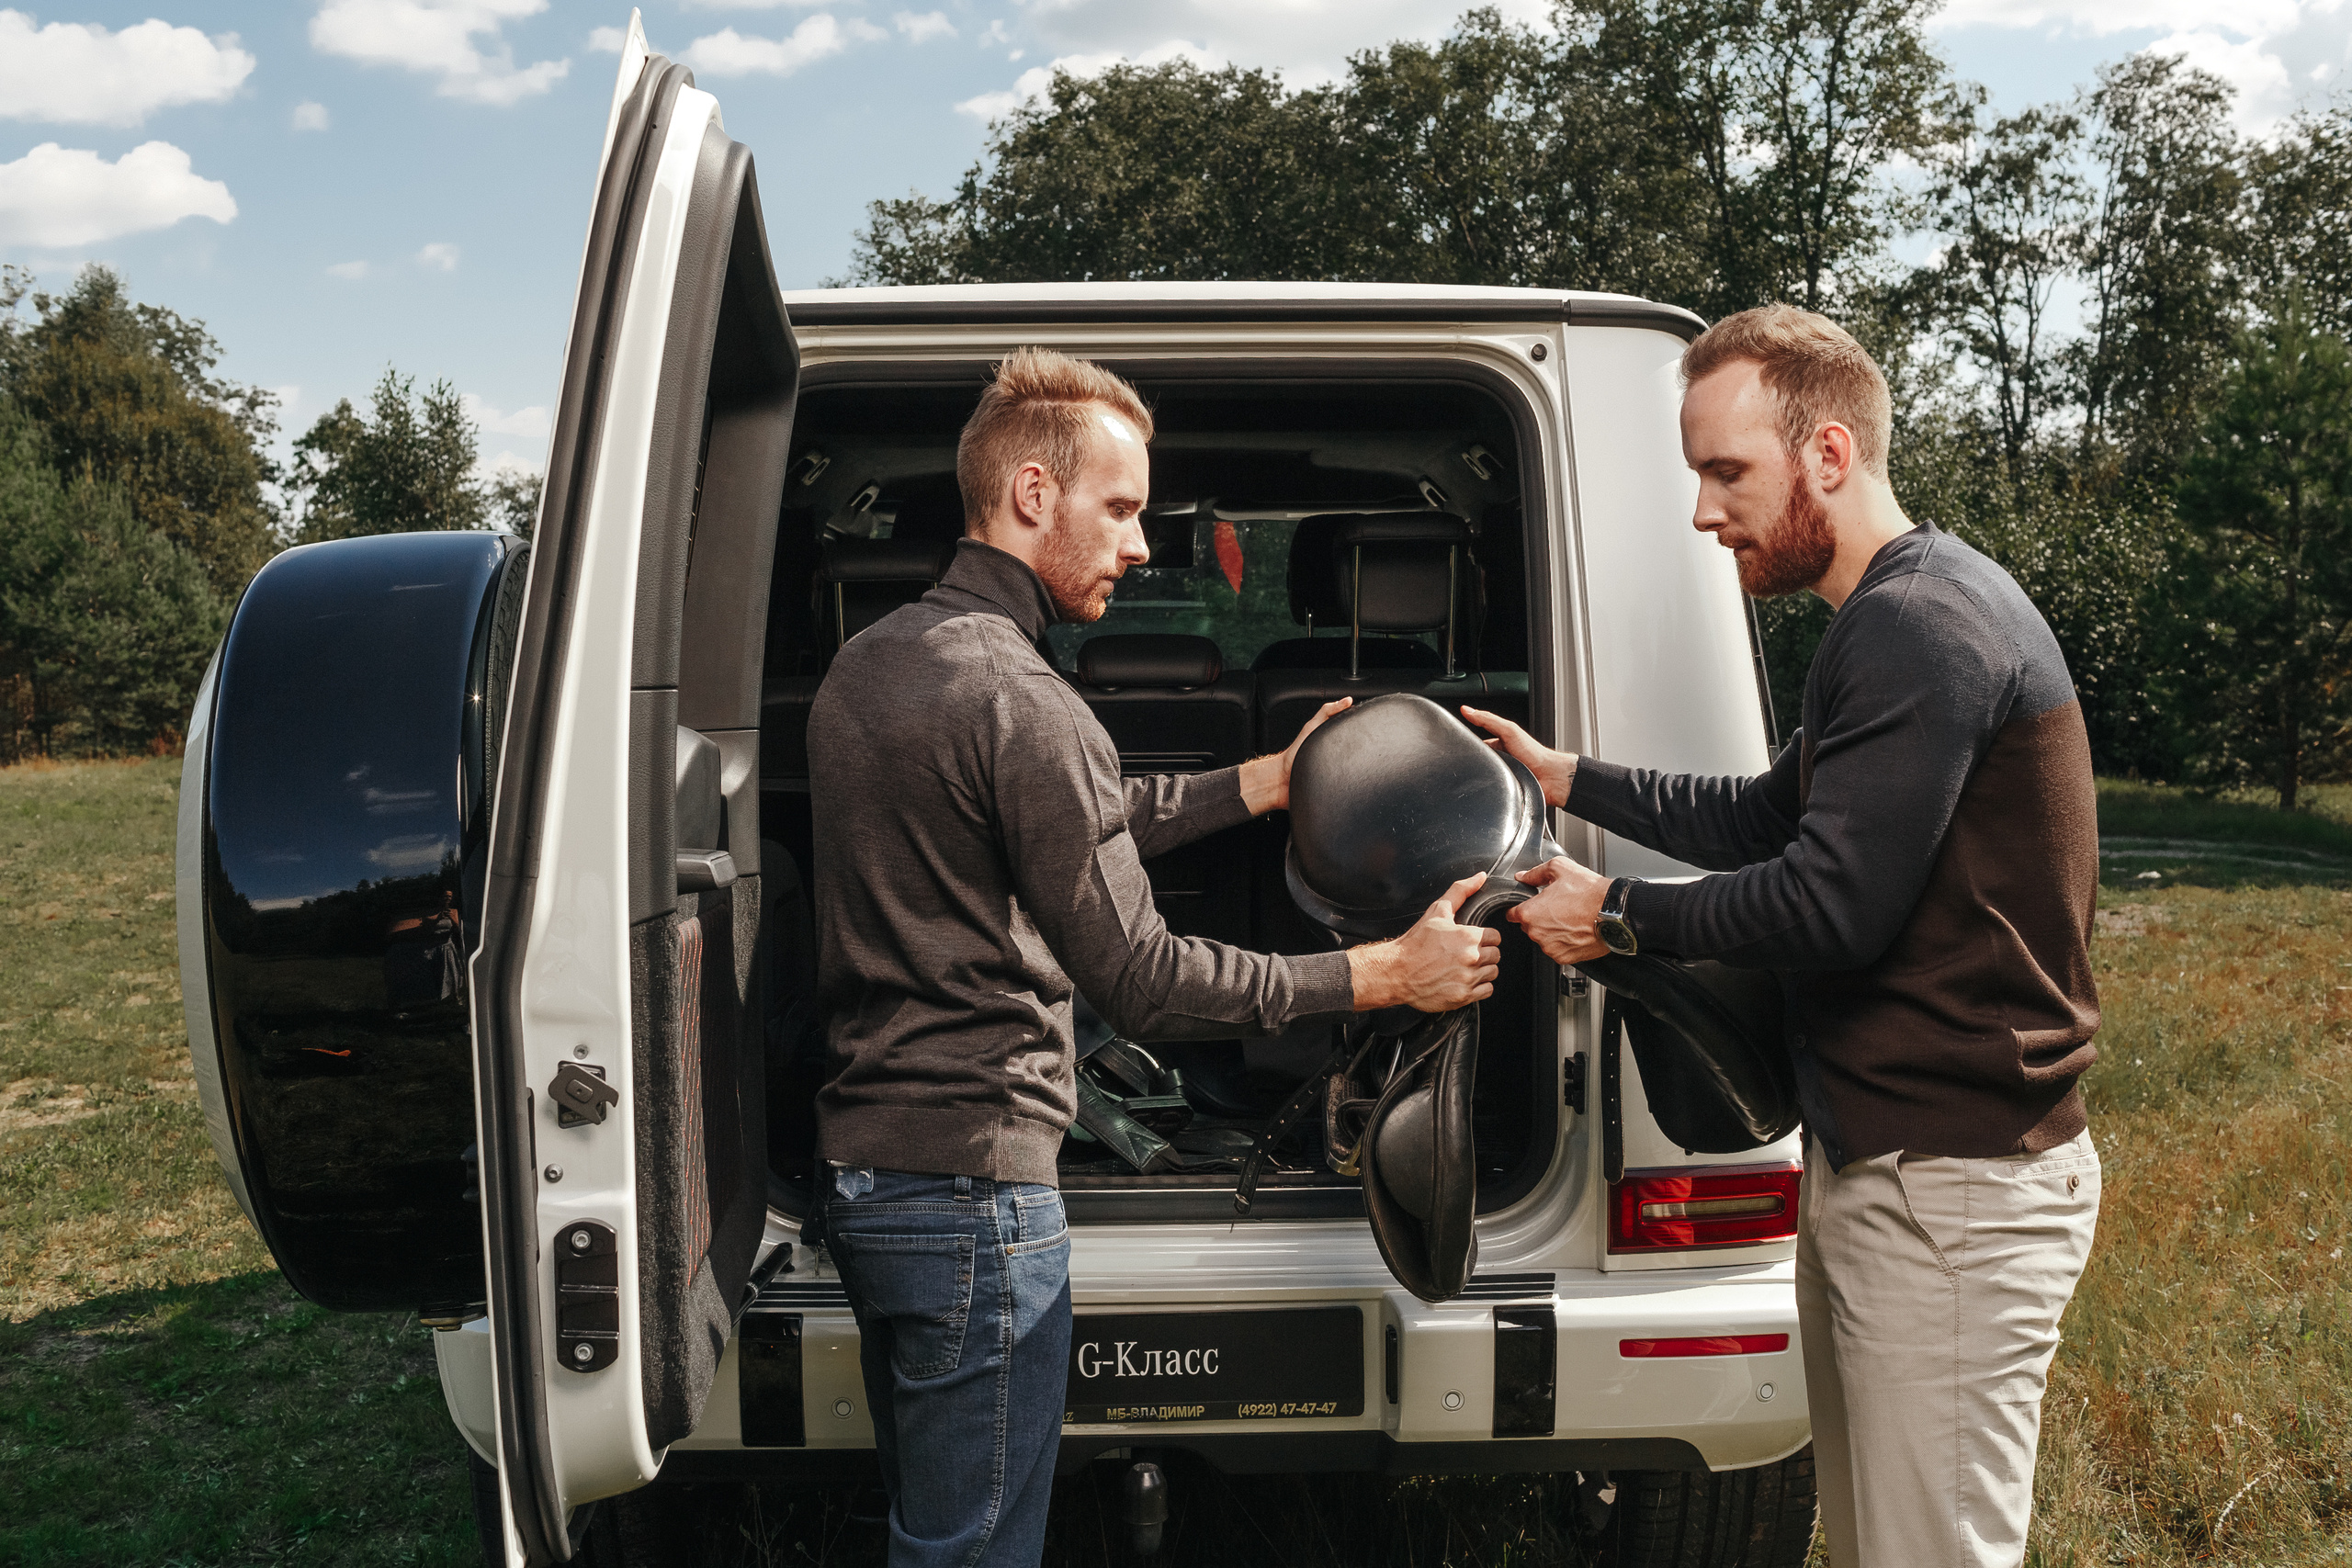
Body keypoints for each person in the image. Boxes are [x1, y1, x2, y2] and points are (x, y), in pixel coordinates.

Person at [805, 347, 1500, 1568]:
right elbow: (1148, 980)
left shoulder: (871, 671)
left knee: (936, 1527)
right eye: (1121, 509)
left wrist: (1263, 783)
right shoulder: (1027, 703)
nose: (1138, 546)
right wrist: (1386, 973)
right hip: (977, 1199)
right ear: (1033, 494)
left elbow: (1066, 809)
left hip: (872, 1179)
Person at [1466, 304, 2101, 1568]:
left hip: (1955, 1194)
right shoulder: (1888, 613)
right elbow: (1765, 816)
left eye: (1725, 472)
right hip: (1897, 1170)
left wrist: (1616, 919)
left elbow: (1827, 902)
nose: (1704, 512)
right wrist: (1568, 775)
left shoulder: (1921, 627)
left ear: (1826, 453)